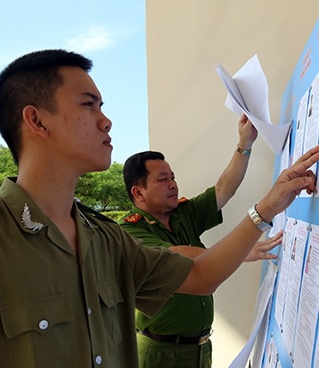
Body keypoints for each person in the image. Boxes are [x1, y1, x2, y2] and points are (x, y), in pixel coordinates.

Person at [0, 49, 319, 368]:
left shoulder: (103, 238)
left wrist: (269, 206)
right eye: (88, 105)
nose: (107, 121)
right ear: (37, 121)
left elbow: (201, 275)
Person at [119, 116, 282, 368]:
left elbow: (223, 189)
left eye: (172, 177)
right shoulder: (129, 231)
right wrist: (241, 250)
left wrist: (245, 144)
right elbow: (178, 255)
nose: (173, 184)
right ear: (138, 192)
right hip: (160, 353)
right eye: (163, 180)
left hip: (200, 348)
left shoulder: (182, 214)